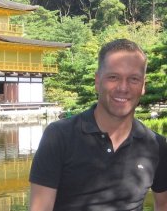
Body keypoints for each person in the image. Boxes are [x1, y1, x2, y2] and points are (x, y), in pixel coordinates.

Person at [29, 39, 167, 211]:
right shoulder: (59, 136)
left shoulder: (156, 145)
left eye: (133, 79)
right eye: (113, 77)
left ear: (143, 86)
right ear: (97, 81)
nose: (123, 88)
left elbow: (163, 204)